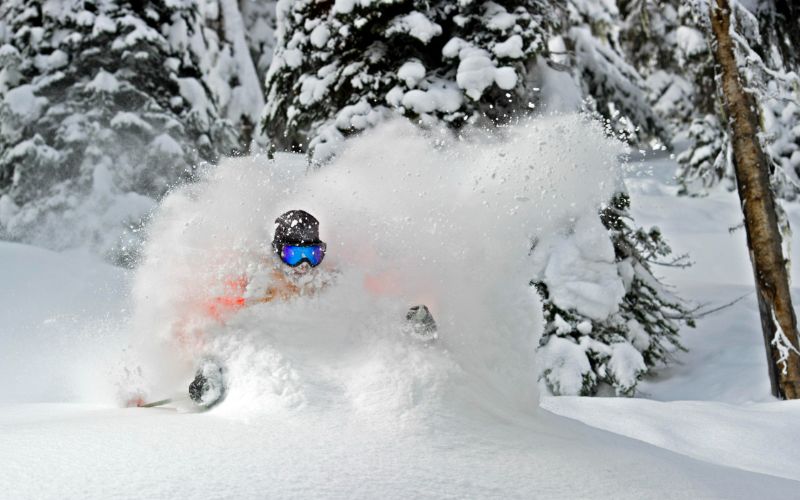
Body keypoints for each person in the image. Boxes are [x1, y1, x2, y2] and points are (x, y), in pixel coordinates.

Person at [187, 209, 436, 408]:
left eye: (313, 255)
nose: (304, 265)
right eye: (294, 255)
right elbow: (222, 328)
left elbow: (367, 312)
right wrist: (208, 367)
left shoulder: (332, 279)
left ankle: (416, 337)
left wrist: (400, 321)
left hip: (334, 374)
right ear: (277, 252)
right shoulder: (256, 282)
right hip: (276, 381)